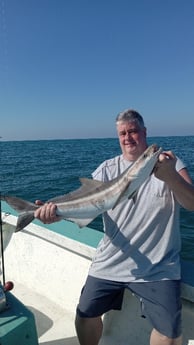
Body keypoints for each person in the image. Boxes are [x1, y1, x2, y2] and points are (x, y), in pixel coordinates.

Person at [35, 109, 194, 345]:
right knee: (84, 314)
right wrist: (55, 214)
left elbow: (191, 204)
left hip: (158, 266)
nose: (128, 137)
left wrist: (170, 176)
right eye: (123, 133)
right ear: (118, 137)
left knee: (170, 333)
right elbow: (87, 207)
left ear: (144, 132)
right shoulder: (106, 170)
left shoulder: (171, 163)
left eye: (133, 131)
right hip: (111, 261)